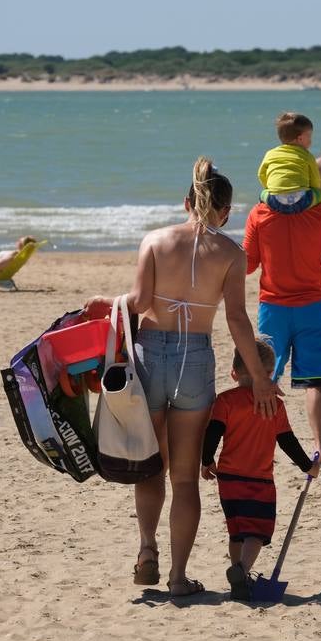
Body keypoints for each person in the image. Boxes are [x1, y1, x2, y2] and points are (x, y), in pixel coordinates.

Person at [84, 157, 279, 597]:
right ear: (226, 212)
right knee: (186, 477)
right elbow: (236, 319)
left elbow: (138, 302)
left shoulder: (155, 240)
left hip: (150, 355)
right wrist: (260, 379)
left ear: (187, 201)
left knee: (151, 465)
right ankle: (177, 578)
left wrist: (106, 301)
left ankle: (147, 550)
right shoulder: (232, 254)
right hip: (194, 359)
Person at [201, 338, 320, 600]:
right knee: (256, 531)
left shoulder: (225, 400)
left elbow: (213, 433)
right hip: (259, 480)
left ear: (233, 373)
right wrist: (307, 466)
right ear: (269, 375)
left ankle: (238, 577)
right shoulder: (274, 405)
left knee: (236, 530)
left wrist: (206, 459)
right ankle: (242, 571)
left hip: (228, 478)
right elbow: (287, 440)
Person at [243, 191, 321, 468]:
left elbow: (248, 264)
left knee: (264, 379)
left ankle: (257, 448)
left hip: (273, 307)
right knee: (315, 382)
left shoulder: (259, 213)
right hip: (312, 308)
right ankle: (320, 450)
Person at [258, 111, 321, 214]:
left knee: (262, 194)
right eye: (309, 136)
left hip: (275, 201)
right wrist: (314, 190)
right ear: (300, 138)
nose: (311, 140)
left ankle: (262, 213)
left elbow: (261, 174)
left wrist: (270, 188)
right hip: (302, 201)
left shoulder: (270, 153)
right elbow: (316, 180)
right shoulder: (307, 155)